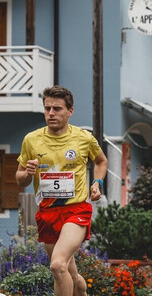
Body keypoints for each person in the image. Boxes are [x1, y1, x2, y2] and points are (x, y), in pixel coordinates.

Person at [15, 85, 108, 296]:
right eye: (47, 108)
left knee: (57, 265)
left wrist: (97, 183)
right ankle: (81, 289)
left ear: (70, 111)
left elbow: (101, 161)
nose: (51, 114)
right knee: (68, 273)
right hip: (47, 213)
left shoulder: (83, 138)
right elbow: (20, 179)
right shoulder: (31, 140)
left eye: (57, 109)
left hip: (76, 210)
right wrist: (27, 173)